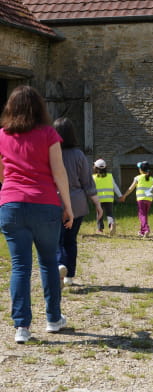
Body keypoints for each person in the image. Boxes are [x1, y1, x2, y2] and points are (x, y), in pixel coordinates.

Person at [0, 86, 73, 343]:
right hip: (44, 204)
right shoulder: (48, 133)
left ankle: (21, 327)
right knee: (48, 262)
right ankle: (53, 319)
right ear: (39, 107)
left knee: (19, 266)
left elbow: (2, 174)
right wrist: (68, 205)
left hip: (11, 206)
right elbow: (59, 172)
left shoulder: (2, 136)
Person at [53, 117, 103, 287]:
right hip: (77, 204)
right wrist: (97, 204)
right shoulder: (79, 155)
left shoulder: (50, 152)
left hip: (54, 202)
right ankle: (69, 276)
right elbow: (87, 183)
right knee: (71, 240)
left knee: (56, 240)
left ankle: (59, 266)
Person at [119, 161, 153, 237]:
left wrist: (124, 195)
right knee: (144, 215)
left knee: (141, 215)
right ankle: (142, 232)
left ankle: (146, 229)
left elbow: (131, 188)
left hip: (141, 199)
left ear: (141, 170)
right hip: (149, 199)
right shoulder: (152, 179)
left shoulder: (138, 178)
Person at [93, 158, 122, 236]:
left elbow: (91, 188)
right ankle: (111, 224)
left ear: (95, 167)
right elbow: (115, 186)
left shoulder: (94, 177)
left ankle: (100, 229)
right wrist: (120, 195)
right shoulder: (110, 176)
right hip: (109, 198)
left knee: (99, 213)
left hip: (98, 199)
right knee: (109, 213)